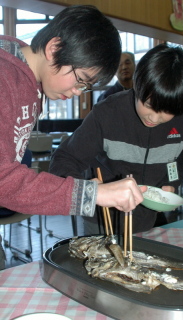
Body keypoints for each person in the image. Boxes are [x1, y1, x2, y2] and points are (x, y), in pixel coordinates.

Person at [0, 5, 146, 269]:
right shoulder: (4, 78)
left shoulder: (32, 84)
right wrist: (92, 194)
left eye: (86, 86)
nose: (79, 92)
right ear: (54, 49)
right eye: (81, 80)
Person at [49, 43, 183, 235]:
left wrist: (170, 184)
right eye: (149, 104)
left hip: (147, 220)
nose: (154, 118)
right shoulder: (107, 113)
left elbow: (176, 164)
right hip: (102, 220)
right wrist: (89, 191)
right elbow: (64, 159)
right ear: (138, 85)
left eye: (167, 112)